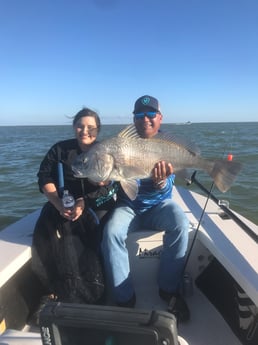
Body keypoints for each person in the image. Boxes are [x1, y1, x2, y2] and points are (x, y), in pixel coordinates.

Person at [101, 95, 190, 322]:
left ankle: (168, 289)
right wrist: (102, 179)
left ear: (160, 118)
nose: (146, 119)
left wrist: (161, 181)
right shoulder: (122, 142)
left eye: (151, 114)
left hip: (159, 206)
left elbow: (168, 183)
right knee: (111, 232)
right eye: (140, 115)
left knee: (180, 222)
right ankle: (125, 299)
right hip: (128, 208)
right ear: (134, 119)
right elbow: (119, 182)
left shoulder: (168, 146)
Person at [32, 107, 118, 306]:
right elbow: (44, 176)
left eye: (91, 127)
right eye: (80, 126)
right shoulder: (59, 150)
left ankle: (94, 291)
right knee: (47, 237)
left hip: (95, 204)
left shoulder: (106, 152)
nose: (85, 131)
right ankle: (52, 289)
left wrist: (84, 201)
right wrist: (58, 203)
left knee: (95, 237)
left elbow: (112, 187)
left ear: (98, 130)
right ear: (74, 127)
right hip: (62, 204)